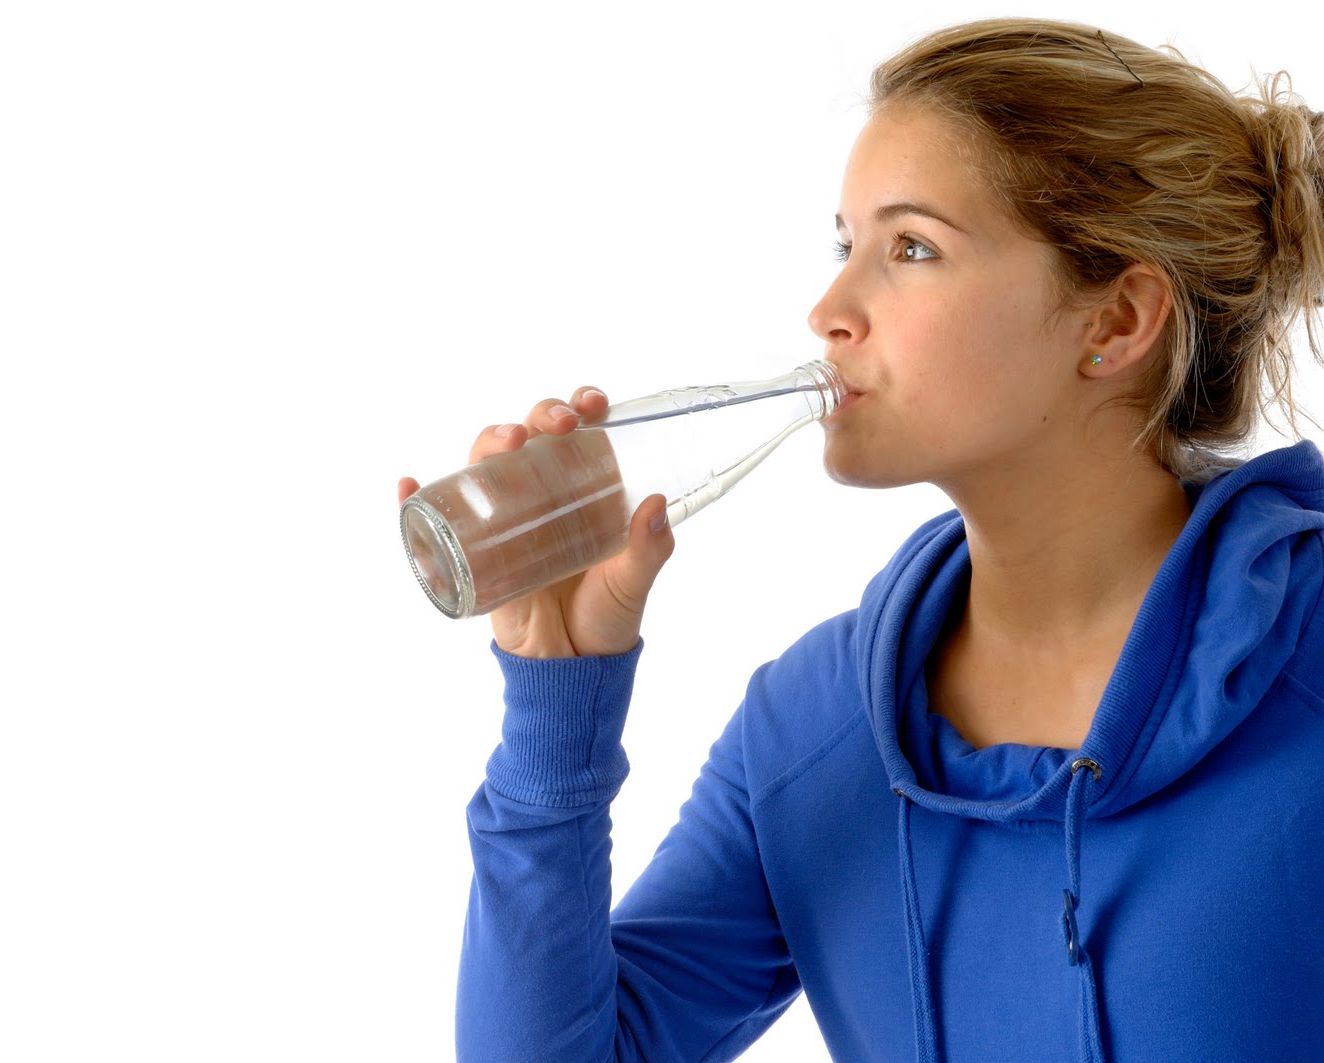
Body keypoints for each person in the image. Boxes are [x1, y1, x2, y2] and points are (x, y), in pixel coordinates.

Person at [397, 17, 1324, 1062]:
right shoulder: (811, 727)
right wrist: (553, 707)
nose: (829, 310)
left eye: (912, 247)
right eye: (848, 246)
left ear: (1114, 322)